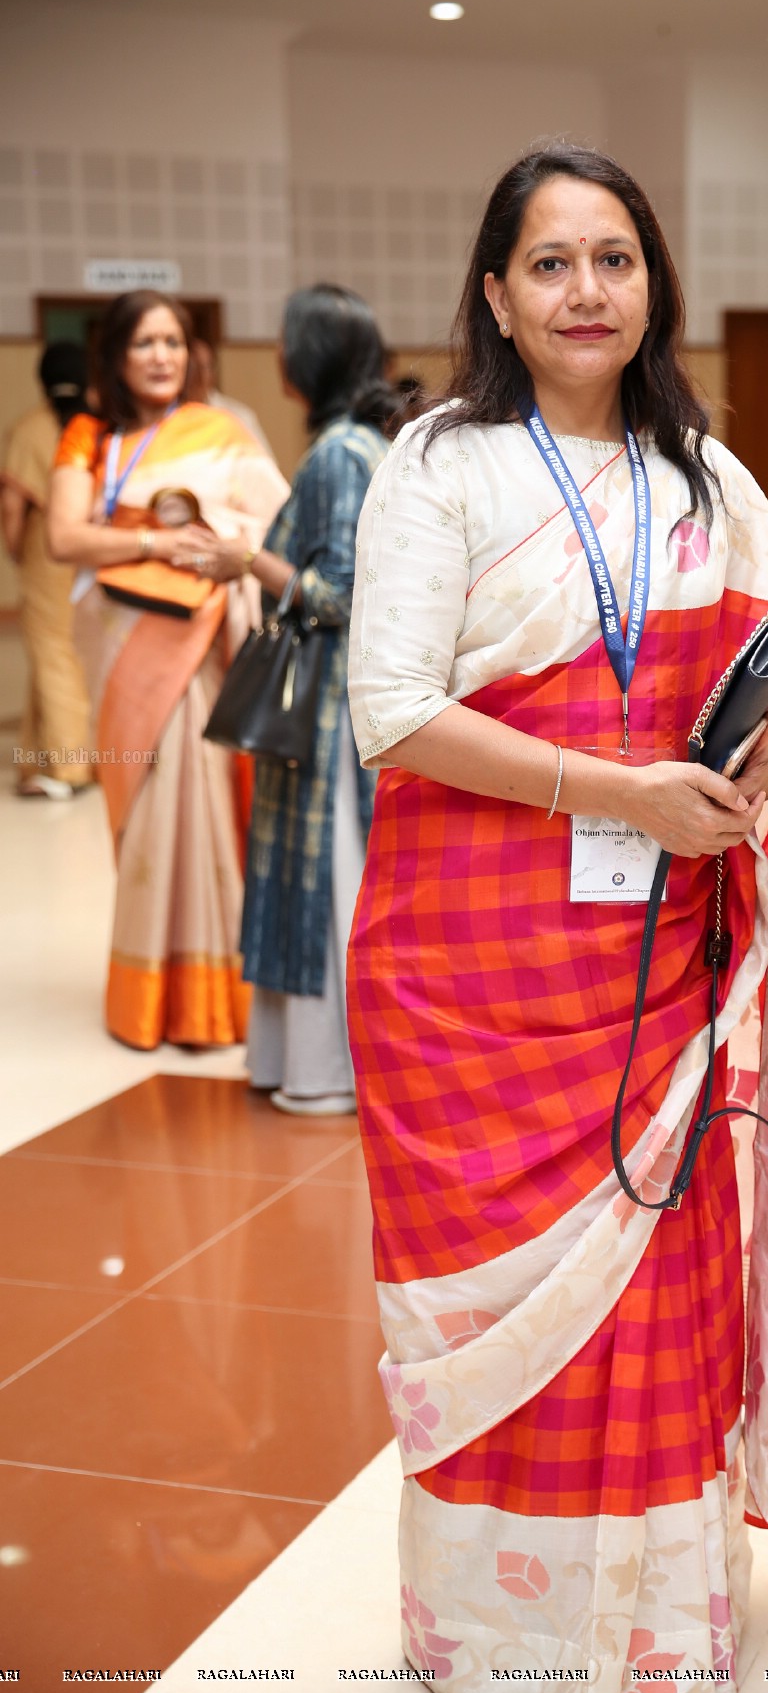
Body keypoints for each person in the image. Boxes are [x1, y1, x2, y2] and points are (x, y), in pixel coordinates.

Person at [347, 145, 768, 1693]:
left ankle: (646, 1644)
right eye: (553, 264)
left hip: (653, 970)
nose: (588, 292)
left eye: (616, 260)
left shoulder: (706, 482)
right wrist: (620, 788)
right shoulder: (438, 466)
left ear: (655, 284)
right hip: (468, 975)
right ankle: (503, 1649)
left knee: (660, 1298)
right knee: (499, 1315)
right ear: (497, 294)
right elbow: (392, 715)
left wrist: (760, 767)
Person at [47, 290, 289, 1050]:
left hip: (204, 646)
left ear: (193, 355)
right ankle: (150, 993)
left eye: (174, 343)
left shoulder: (222, 432)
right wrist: (152, 545)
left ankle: (215, 997)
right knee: (150, 807)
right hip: (126, 651)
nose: (161, 357)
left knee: (206, 803)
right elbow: (63, 537)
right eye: (145, 343)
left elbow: (276, 525)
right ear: (116, 356)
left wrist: (227, 546)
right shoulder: (91, 438)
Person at [239, 285, 407, 1117]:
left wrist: (247, 559)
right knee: (333, 878)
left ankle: (324, 1070)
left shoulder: (340, 452)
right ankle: (315, 1065)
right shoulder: (367, 444)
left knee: (323, 879)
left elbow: (337, 593)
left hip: (328, 709)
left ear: (307, 360)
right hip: (341, 704)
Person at [1, 341, 93, 797]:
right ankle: (37, 761)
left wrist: (16, 549)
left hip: (46, 552)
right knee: (68, 653)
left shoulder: (30, 428)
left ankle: (70, 769)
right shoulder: (97, 428)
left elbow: (12, 505)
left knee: (53, 654)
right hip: (92, 552)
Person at [191, 338, 276, 460]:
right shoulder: (168, 416)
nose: (200, 375)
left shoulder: (238, 415)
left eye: (206, 367)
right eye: (195, 368)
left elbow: (265, 465)